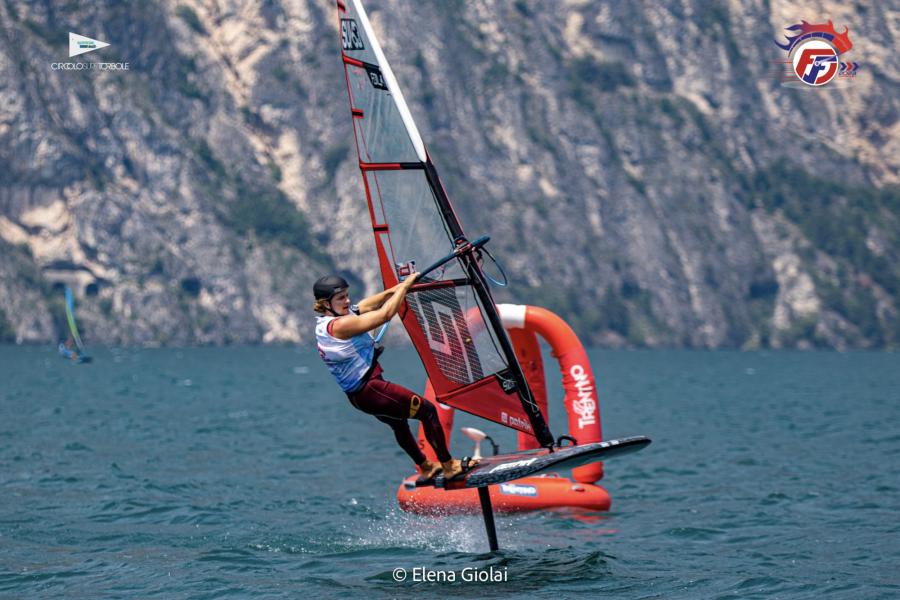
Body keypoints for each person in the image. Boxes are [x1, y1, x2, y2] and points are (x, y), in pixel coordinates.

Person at [313, 273, 474, 480]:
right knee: (428, 411)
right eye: (341, 298)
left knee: (399, 423)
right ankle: (449, 465)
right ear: (326, 304)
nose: (348, 301)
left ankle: (426, 467)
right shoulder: (338, 326)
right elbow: (384, 315)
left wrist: (402, 286)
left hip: (361, 395)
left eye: (347, 295)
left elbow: (377, 301)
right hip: (371, 390)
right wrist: (405, 287)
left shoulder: (331, 320)